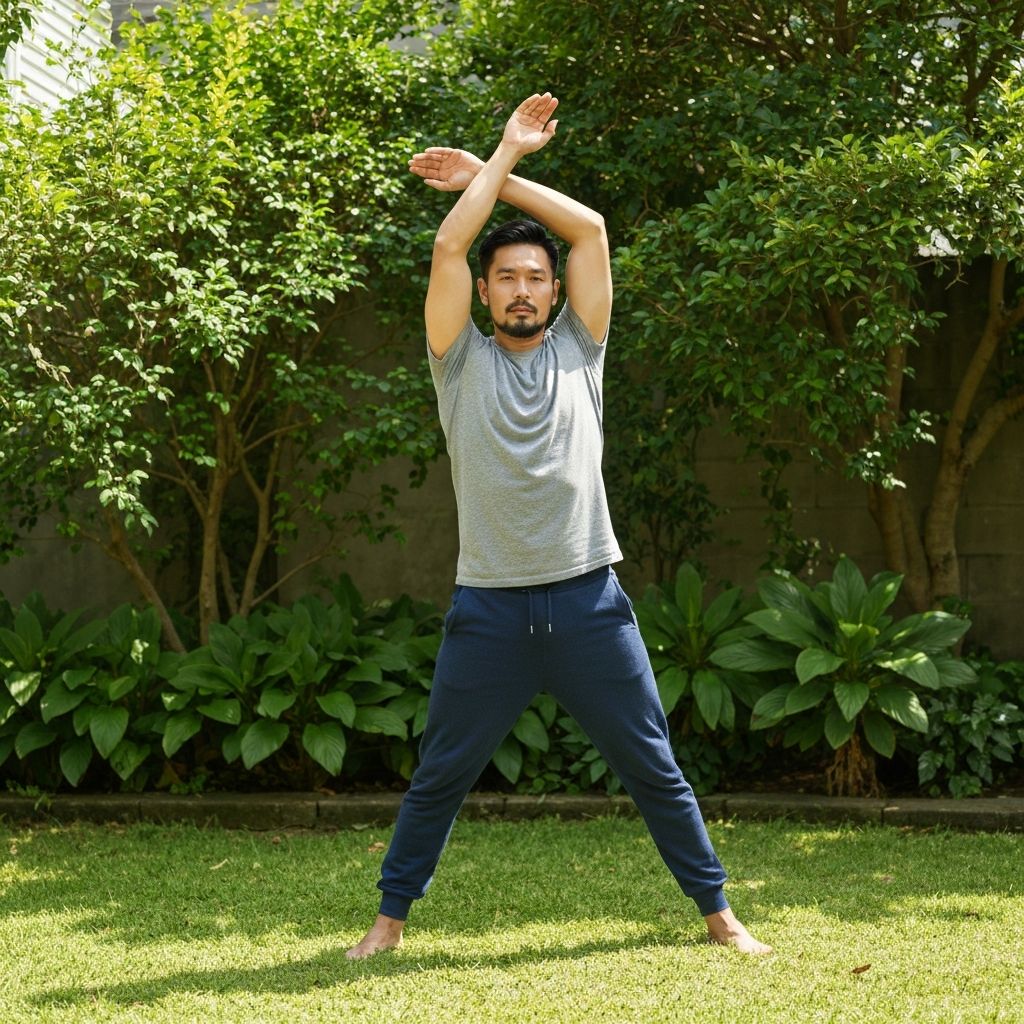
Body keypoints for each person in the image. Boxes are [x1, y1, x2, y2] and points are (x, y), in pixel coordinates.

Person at [346, 93, 772, 960]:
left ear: (552, 292)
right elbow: (447, 246)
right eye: (507, 276)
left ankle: (720, 915)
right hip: (490, 612)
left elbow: (591, 231)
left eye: (535, 277)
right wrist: (495, 160)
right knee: (440, 778)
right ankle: (387, 924)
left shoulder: (585, 347)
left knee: (654, 766)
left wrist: (494, 177)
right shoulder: (455, 361)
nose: (523, 287)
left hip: (588, 603)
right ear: (488, 293)